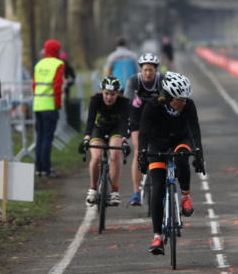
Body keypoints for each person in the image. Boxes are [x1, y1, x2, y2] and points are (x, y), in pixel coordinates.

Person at [137, 71, 205, 255]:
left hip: (179, 141)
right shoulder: (152, 106)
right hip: (157, 144)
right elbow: (143, 133)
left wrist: (199, 154)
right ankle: (157, 236)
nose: (183, 103)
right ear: (168, 97)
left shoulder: (188, 105)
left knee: (182, 156)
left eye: (185, 99)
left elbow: (194, 130)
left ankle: (185, 196)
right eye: (179, 100)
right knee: (158, 187)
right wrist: (142, 155)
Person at [78, 76, 130, 207]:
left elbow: (124, 123)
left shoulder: (124, 102)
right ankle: (93, 189)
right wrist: (86, 138)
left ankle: (114, 191)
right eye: (106, 93)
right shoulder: (95, 99)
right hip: (98, 129)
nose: (109, 97)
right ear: (102, 92)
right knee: (96, 157)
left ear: (118, 93)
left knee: (115, 154)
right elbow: (90, 121)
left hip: (116, 130)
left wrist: (124, 140)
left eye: (112, 94)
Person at [124, 52, 163, 206]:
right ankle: (136, 192)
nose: (147, 73)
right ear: (141, 70)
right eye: (145, 70)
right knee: (138, 150)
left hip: (156, 118)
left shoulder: (162, 80)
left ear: (156, 70)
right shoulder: (134, 80)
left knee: (159, 149)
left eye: (151, 70)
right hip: (137, 119)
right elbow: (126, 102)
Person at [33, 39, 64, 178]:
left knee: (39, 137)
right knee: (47, 138)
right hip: (50, 105)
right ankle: (46, 169)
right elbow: (57, 86)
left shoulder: (38, 64)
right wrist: (58, 105)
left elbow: (34, 85)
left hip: (38, 105)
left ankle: (39, 169)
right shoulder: (58, 64)